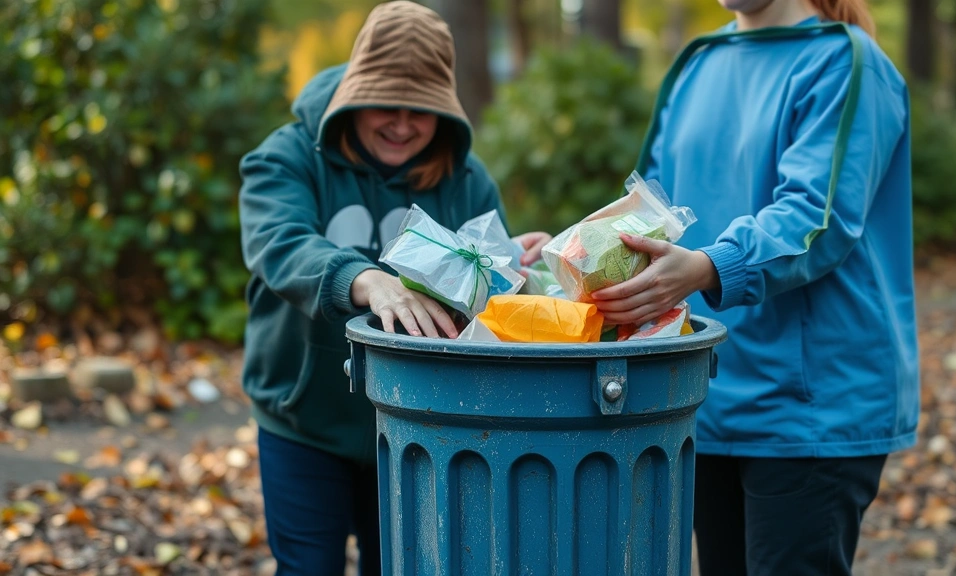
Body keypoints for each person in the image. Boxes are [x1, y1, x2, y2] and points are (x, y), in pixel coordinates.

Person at [590, 0, 919, 574]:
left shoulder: (846, 62)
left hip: (810, 407)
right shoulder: (698, 61)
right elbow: (651, 211)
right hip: (699, 394)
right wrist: (569, 254)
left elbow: (815, 218)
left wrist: (708, 267)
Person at [237, 2, 550, 574]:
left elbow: (488, 304)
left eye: (422, 110)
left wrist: (513, 267)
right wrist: (367, 280)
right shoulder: (287, 157)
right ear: (355, 93)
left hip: (420, 430)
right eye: (385, 104)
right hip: (306, 422)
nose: (402, 124)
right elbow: (277, 243)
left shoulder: (466, 178)